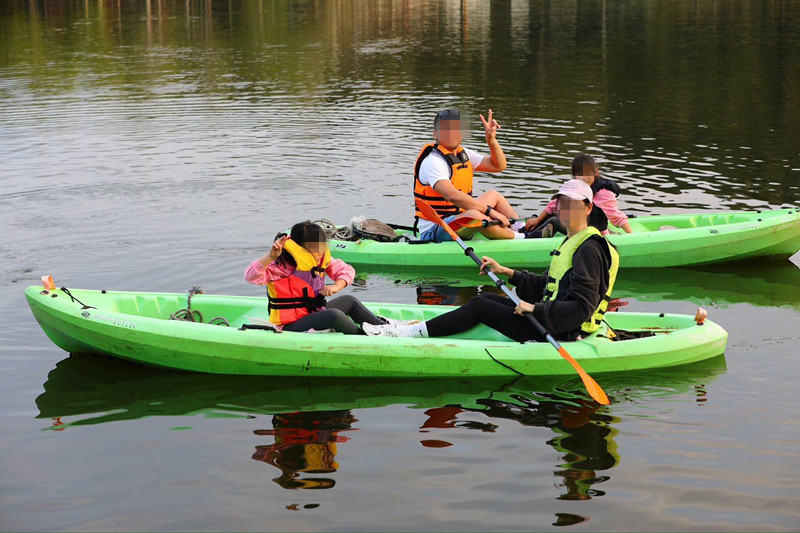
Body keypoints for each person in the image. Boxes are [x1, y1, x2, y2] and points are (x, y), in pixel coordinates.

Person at [365, 180, 619, 341]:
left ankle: (406, 334)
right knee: (486, 298)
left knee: (479, 306)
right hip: (554, 319)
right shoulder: (575, 239)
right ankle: (418, 326)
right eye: (562, 204)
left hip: (563, 330)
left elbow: (582, 307)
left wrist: (534, 309)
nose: (566, 210)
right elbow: (551, 284)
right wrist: (507, 272)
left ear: (587, 208)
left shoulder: (589, 248)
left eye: (573, 205)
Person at [245, 221, 403, 334]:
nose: (319, 252)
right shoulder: (280, 266)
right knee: (333, 315)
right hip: (290, 325)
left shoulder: (320, 259)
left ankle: (384, 328)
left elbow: (346, 271)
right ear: (298, 248)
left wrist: (336, 286)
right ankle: (366, 336)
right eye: (313, 248)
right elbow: (250, 276)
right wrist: (269, 257)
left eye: (320, 246)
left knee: (349, 301)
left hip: (314, 313)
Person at [413, 108, 525, 242]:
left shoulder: (464, 154)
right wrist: (490, 212)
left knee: (493, 195)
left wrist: (492, 141)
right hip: (435, 228)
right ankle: (522, 238)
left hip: (458, 216)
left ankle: (523, 229)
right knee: (474, 215)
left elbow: (498, 166)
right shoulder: (432, 161)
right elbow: (452, 195)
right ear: (435, 134)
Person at [525, 154, 633, 238]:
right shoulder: (574, 187)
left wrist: (631, 235)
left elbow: (616, 216)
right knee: (551, 215)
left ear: (595, 172)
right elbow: (553, 205)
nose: (584, 178)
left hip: (594, 232)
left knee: (554, 221)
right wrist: (538, 220)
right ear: (574, 175)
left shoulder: (603, 193)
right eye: (580, 174)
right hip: (577, 226)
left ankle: (528, 237)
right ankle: (526, 231)